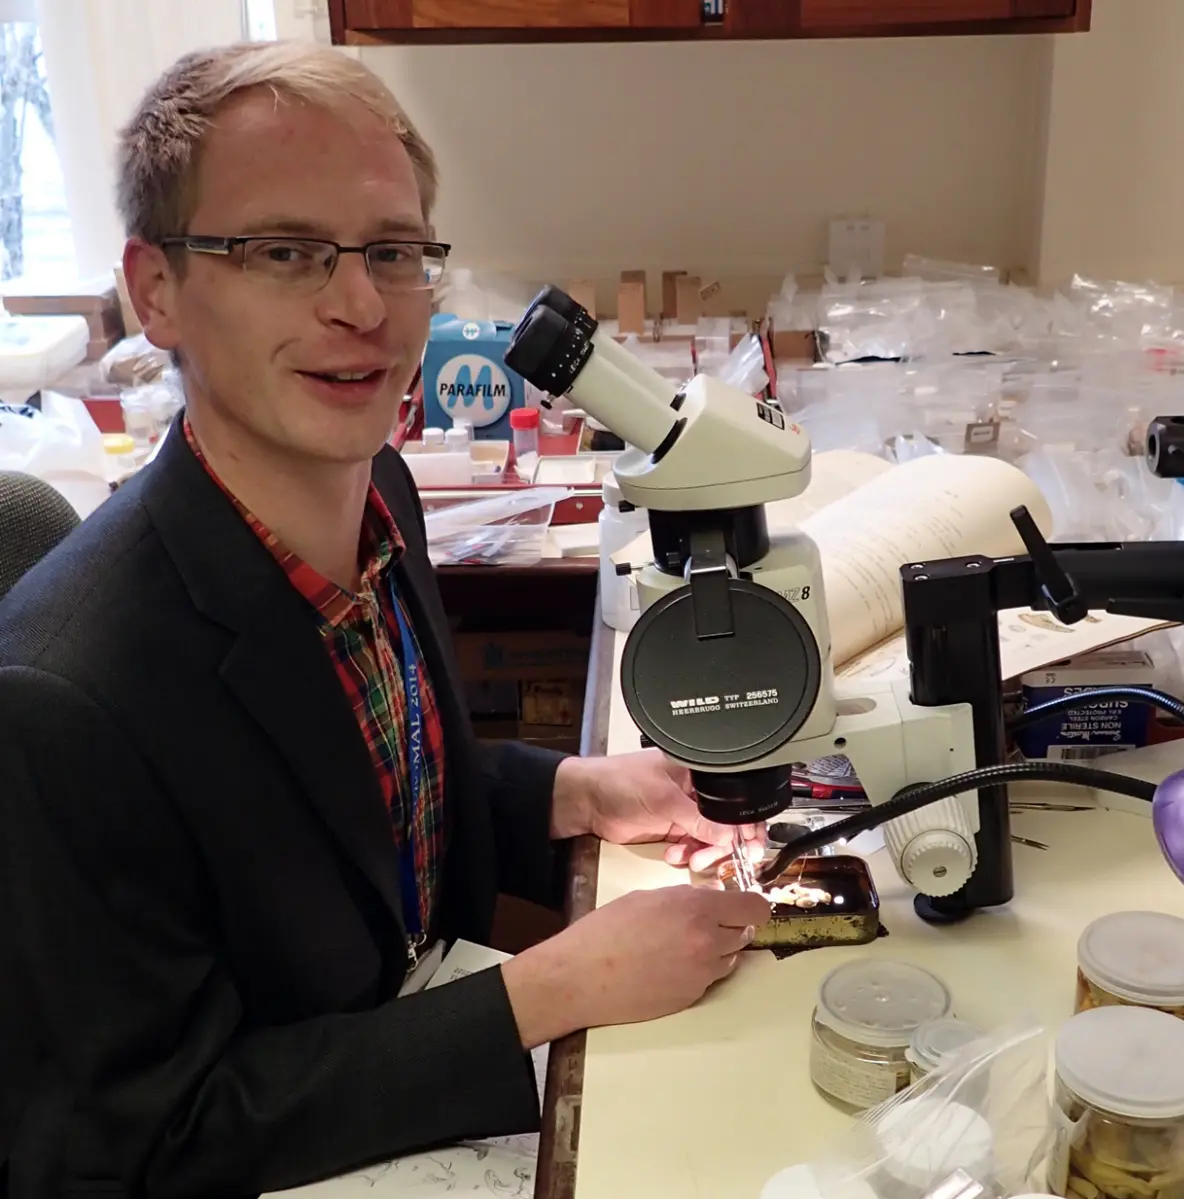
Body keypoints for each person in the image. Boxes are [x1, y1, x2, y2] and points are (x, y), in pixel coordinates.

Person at [0, 41, 771, 1199]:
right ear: (157, 288)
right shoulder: (61, 701)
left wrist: (566, 789)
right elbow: (137, 1143)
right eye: (283, 251)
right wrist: (549, 990)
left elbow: (352, 804)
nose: (361, 304)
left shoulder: (381, 493)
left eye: (393, 252)